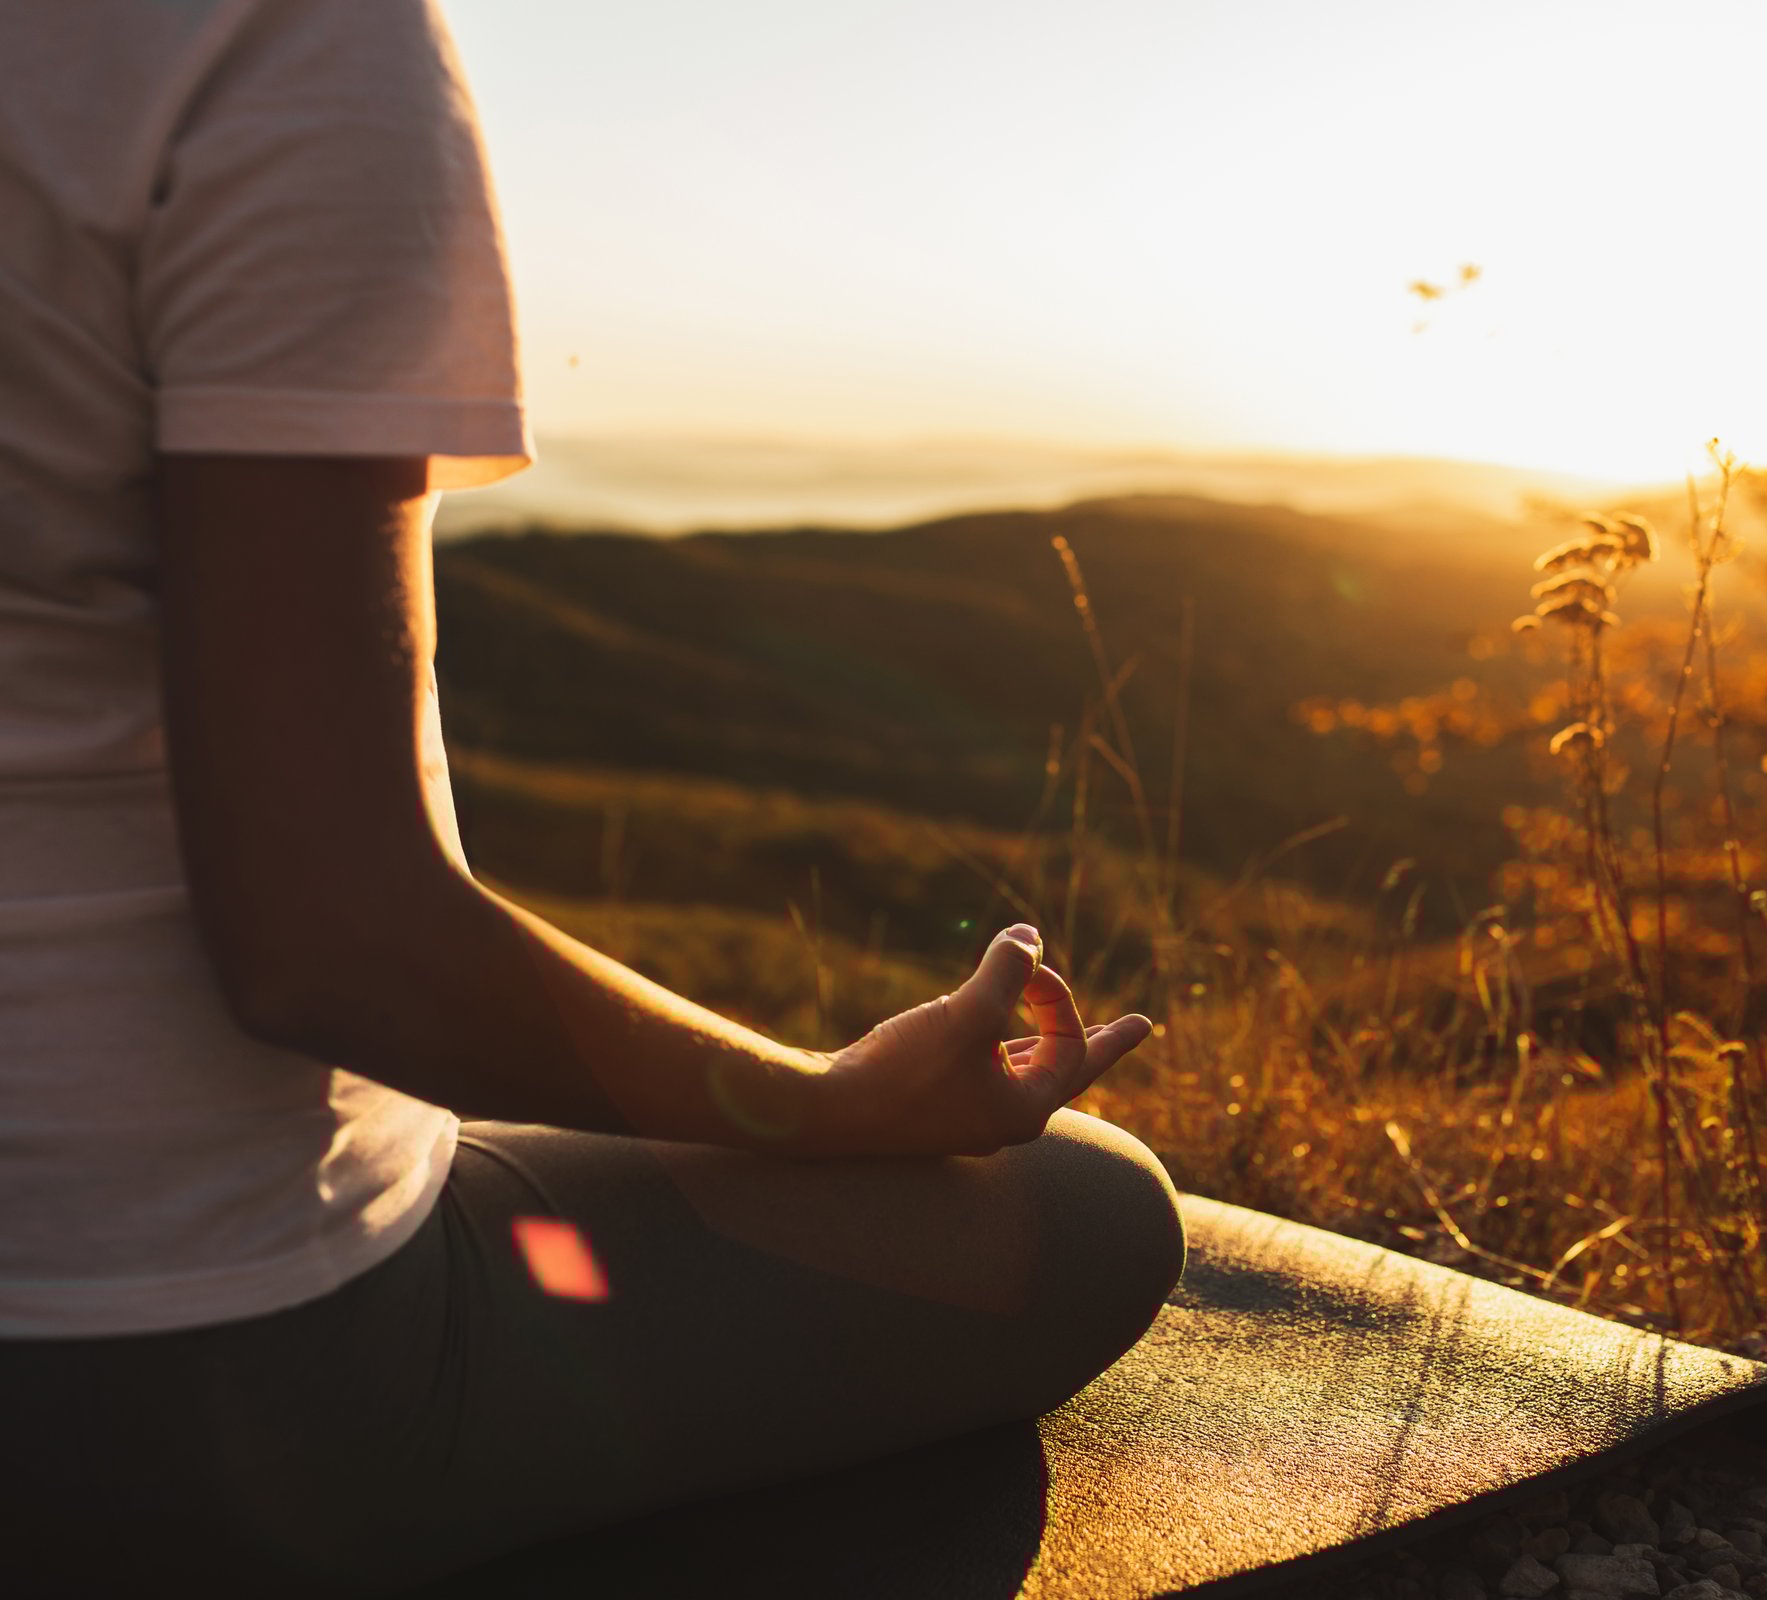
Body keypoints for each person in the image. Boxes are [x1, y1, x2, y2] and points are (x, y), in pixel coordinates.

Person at [0, 2, 1184, 1592]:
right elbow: (328, 939)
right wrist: (835, 1102)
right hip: (156, 1345)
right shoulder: (272, 37)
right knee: (1095, 1216)